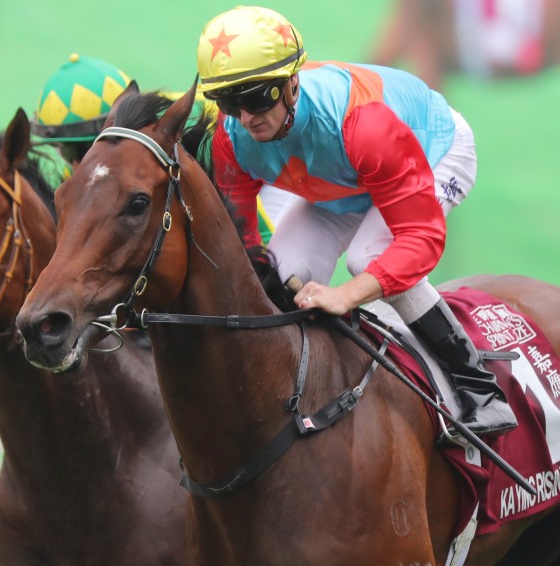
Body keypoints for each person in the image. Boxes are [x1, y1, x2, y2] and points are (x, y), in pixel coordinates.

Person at [196, 5, 516, 436]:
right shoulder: (231, 138)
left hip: (432, 150)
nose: (247, 117)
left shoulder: (364, 125)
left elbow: (421, 238)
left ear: (292, 83)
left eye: (256, 97)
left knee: (368, 258)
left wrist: (347, 296)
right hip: (344, 178)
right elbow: (244, 242)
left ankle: (481, 391)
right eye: (230, 102)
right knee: (281, 274)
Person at [31, 52, 294, 240]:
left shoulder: (189, 140)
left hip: (271, 163)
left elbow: (253, 229)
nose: (81, 164)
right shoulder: (103, 162)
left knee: (288, 265)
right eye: (65, 151)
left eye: (86, 149)